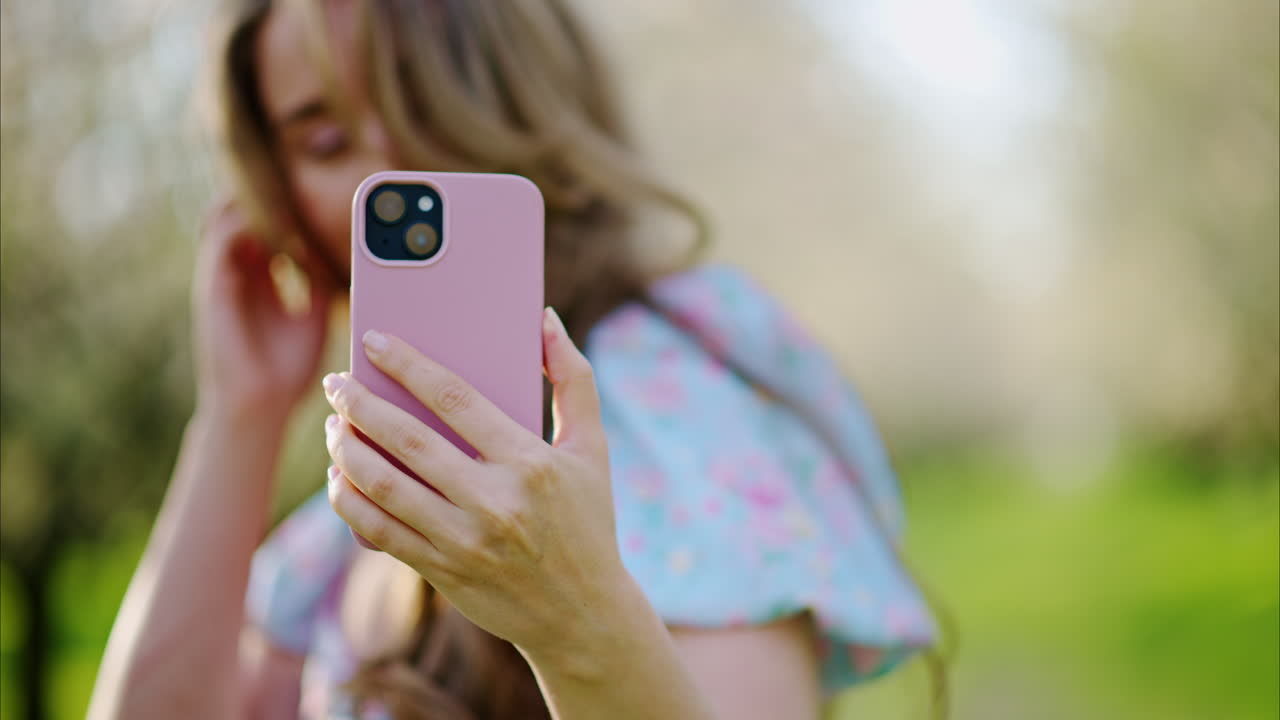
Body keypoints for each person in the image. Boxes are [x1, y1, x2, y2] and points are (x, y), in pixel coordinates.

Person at [86, 1, 940, 718]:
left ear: (521, 103)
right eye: (324, 141)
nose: (392, 162)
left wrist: (579, 627)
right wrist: (240, 413)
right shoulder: (338, 538)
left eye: (425, 101)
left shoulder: (678, 412)